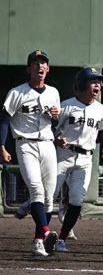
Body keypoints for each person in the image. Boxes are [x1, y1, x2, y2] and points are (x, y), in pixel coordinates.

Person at [0, 50, 60, 256]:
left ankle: (37, 241)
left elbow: (55, 122)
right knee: (37, 189)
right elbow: (4, 121)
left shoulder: (53, 92)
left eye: (43, 63)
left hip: (48, 144)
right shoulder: (17, 92)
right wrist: (1, 146)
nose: (40, 67)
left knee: (50, 197)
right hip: (25, 144)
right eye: (35, 63)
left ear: (48, 69)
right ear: (29, 69)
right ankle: (45, 232)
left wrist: (54, 117)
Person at [53, 67, 103, 252]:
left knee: (77, 199)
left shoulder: (101, 110)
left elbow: (102, 131)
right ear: (83, 84)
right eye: (94, 81)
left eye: (99, 82)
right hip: (63, 155)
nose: (98, 85)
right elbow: (50, 128)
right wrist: (56, 138)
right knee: (49, 195)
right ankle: (41, 235)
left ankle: (61, 239)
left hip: (86, 158)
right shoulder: (66, 105)